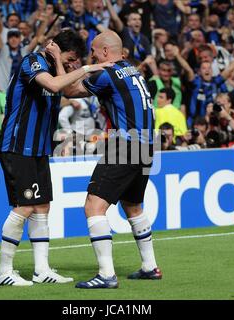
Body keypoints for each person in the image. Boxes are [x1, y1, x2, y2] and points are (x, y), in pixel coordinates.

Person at [0, 29, 109, 286]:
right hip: (17, 146)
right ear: (56, 48)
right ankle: (3, 272)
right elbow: (56, 85)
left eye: (76, 60)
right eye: (71, 57)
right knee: (24, 206)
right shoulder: (32, 61)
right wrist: (89, 66)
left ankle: (41, 269)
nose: (73, 63)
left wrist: (104, 81)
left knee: (43, 206)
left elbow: (68, 88)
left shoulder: (58, 68)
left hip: (39, 149)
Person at [51, 30, 162, 289]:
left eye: (92, 52)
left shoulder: (106, 73)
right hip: (147, 145)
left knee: (93, 207)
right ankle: (150, 266)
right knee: (133, 205)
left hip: (125, 144)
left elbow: (68, 89)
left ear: (103, 52)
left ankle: (107, 274)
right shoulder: (133, 71)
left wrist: (58, 59)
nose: (90, 56)